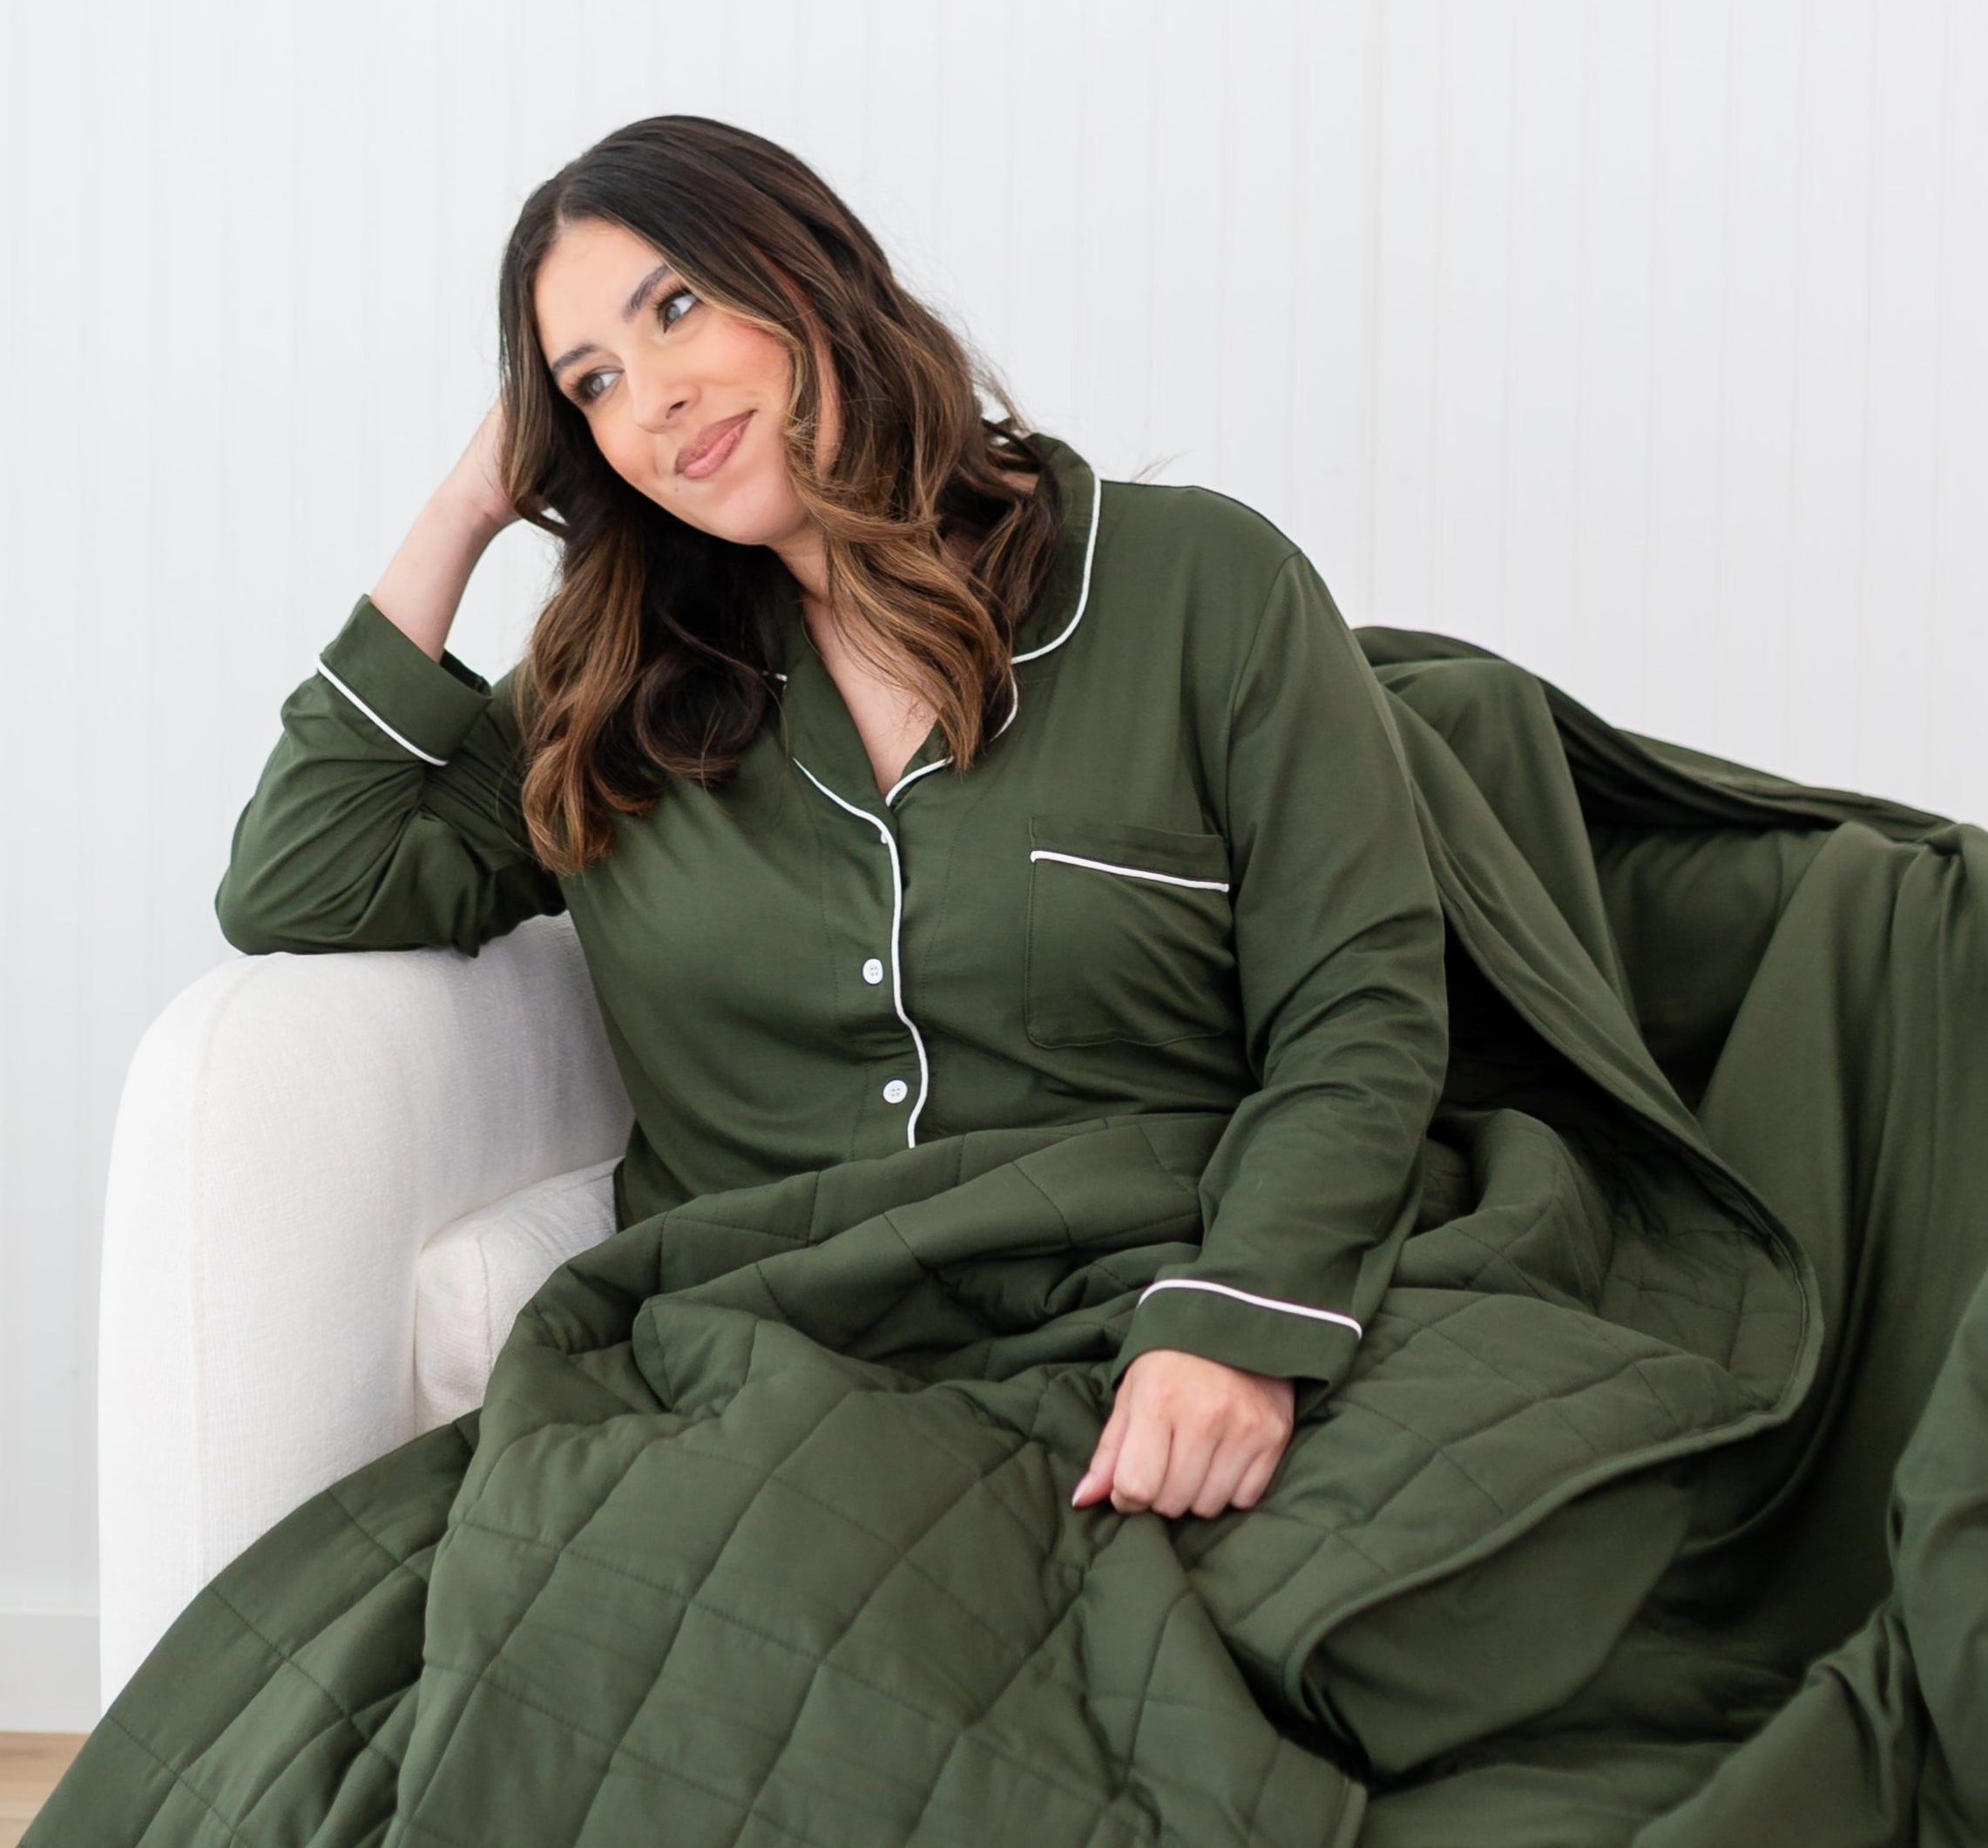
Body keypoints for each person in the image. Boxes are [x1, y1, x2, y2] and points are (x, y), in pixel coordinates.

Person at [215, 110, 1453, 1519]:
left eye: (676, 308)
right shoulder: (606, 700)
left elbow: (1360, 1003)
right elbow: (301, 879)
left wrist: (1237, 1324)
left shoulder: (1194, 589)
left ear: (806, 269)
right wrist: (466, 504)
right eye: (594, 384)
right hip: (763, 1381)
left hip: (1156, 1327)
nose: (656, 399)